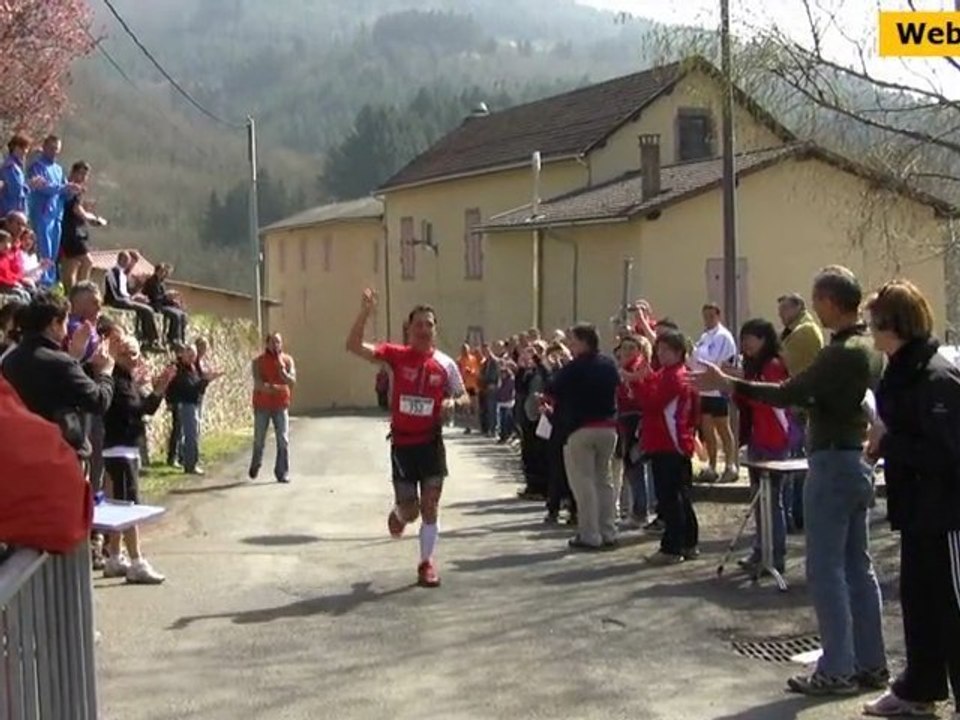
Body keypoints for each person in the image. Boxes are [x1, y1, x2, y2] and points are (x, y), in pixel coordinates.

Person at [695, 265, 887, 696]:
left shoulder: (842, 352)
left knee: (827, 569)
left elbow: (788, 391)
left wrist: (730, 384)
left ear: (829, 302)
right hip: (854, 458)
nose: (813, 308)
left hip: (834, 460)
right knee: (859, 566)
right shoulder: (868, 347)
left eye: (817, 300)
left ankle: (837, 666)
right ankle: (871, 662)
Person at [861, 281, 960, 719]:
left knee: (953, 608)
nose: (870, 332)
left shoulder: (936, 376)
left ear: (893, 325)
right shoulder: (901, 371)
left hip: (949, 514)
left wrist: (889, 441)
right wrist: (884, 442)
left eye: (874, 323)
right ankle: (920, 687)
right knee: (920, 603)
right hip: (917, 510)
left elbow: (946, 453)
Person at [346, 288, 468, 588]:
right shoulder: (397, 356)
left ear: (435, 330)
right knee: (411, 511)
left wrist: (454, 403)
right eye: (419, 325)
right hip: (403, 444)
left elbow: (464, 395)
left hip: (431, 443)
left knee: (430, 505)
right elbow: (353, 346)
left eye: (429, 324)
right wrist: (364, 313)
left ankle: (426, 563)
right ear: (409, 330)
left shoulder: (446, 364)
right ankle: (399, 514)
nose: (424, 329)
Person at [1, 291, 115, 456]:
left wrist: (75, 358)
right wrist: (105, 372)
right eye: (66, 322)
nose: (67, 329)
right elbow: (98, 401)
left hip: (19, 450)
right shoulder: (60, 363)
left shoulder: (10, 360)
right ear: (55, 323)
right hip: (59, 453)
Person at [101, 334, 175, 585]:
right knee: (128, 507)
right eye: (128, 353)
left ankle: (114, 557)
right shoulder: (117, 380)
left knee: (116, 505)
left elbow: (147, 409)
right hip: (120, 449)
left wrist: (158, 389)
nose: (134, 358)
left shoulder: (126, 380)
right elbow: (135, 410)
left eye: (136, 353)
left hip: (122, 448)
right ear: (116, 355)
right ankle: (136, 561)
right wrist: (151, 390)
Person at [542, 323, 620, 551]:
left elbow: (551, 389)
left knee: (583, 483)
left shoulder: (573, 368)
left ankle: (589, 534)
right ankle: (608, 531)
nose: (570, 346)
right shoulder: (609, 365)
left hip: (580, 430)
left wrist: (553, 368)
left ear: (584, 342)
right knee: (604, 482)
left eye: (573, 341)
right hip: (608, 427)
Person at [636, 329, 701, 564]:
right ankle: (688, 542)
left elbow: (651, 403)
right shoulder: (675, 373)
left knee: (670, 497)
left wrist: (639, 383)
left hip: (668, 442)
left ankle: (672, 547)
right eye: (659, 349)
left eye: (666, 350)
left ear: (678, 352)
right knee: (680, 495)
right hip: (674, 440)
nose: (661, 354)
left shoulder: (675, 376)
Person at [733, 319, 790, 576]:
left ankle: (775, 555)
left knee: (772, 501)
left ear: (763, 340)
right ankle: (760, 550)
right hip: (757, 438)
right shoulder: (752, 366)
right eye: (743, 339)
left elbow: (770, 401)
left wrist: (738, 383)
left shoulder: (773, 366)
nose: (745, 344)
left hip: (775, 439)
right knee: (758, 501)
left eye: (750, 338)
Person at [777, 293, 825, 533]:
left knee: (797, 465)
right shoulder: (793, 331)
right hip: (797, 403)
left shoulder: (804, 331)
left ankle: (799, 515)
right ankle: (797, 514)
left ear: (798, 307)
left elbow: (785, 362)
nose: (781, 314)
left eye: (785, 309)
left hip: (801, 405)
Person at [692, 303, 739, 483]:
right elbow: (697, 360)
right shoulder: (705, 337)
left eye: (711, 316)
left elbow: (714, 361)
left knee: (723, 428)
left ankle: (730, 465)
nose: (708, 319)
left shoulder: (723, 336)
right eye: (705, 316)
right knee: (707, 429)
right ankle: (712, 466)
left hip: (718, 389)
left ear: (718, 316)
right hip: (704, 390)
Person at [27, 135, 80, 286]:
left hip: (57, 215)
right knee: (44, 249)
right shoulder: (37, 166)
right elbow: (44, 187)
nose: (54, 152)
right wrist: (64, 188)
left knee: (53, 253)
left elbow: (64, 193)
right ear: (44, 147)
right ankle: (41, 282)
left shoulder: (58, 169)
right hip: (42, 213)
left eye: (57, 149)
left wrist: (72, 191)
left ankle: (49, 283)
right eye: (51, 148)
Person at [617, 334, 654, 526]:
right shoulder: (624, 368)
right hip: (624, 420)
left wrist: (632, 379)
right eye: (625, 348)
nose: (628, 352)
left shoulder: (639, 368)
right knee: (631, 467)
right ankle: (636, 509)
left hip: (636, 420)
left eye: (632, 348)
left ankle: (641, 512)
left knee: (635, 465)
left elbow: (642, 395)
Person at [249, 333, 296, 484]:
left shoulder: (287, 360)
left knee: (283, 439)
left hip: (281, 405)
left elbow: (292, 381)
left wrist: (283, 374)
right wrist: (272, 388)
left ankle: (282, 472)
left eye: (278, 342)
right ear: (267, 344)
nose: (276, 345)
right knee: (259, 439)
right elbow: (258, 383)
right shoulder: (258, 362)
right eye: (273, 342)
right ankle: (256, 463)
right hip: (262, 405)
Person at [60, 161, 107, 291]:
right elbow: (76, 208)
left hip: (73, 228)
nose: (83, 178)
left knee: (71, 264)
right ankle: (81, 293)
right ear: (74, 172)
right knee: (86, 262)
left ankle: (71, 294)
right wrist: (89, 217)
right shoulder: (72, 188)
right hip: (70, 230)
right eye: (81, 173)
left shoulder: (72, 188)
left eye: (85, 175)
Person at [103, 250, 162, 351]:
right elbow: (115, 293)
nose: (128, 263)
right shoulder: (112, 272)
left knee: (146, 309)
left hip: (124, 299)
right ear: (121, 260)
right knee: (147, 310)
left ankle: (147, 338)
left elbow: (125, 292)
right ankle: (152, 340)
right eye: (126, 260)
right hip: (117, 301)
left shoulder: (121, 274)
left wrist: (134, 297)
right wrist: (128, 300)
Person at [165, 344, 208, 475]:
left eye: (193, 355)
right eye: (189, 354)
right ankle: (189, 464)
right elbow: (173, 385)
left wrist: (205, 381)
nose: (191, 357)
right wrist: (170, 401)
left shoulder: (192, 369)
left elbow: (197, 388)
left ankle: (188, 461)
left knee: (191, 434)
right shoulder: (177, 368)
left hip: (192, 403)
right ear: (183, 354)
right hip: (183, 403)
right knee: (188, 434)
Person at [143, 263, 188, 346]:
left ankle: (180, 338)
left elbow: (164, 298)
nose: (163, 273)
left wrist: (173, 302)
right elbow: (155, 298)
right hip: (155, 305)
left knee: (182, 314)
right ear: (156, 271)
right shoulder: (151, 282)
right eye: (161, 271)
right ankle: (172, 338)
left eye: (163, 272)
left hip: (162, 304)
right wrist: (167, 296)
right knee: (175, 315)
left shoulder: (161, 283)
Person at [0, 133, 32, 217]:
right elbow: (16, 191)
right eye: (23, 148)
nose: (25, 151)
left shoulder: (17, 167)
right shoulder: (10, 167)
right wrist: (29, 185)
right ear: (15, 147)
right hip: (10, 214)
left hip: (16, 212)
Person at [456, 343, 481, 433]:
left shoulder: (473, 359)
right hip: (464, 386)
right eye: (463, 350)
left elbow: (477, 371)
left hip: (472, 386)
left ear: (469, 350)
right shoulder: (459, 360)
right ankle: (468, 426)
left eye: (466, 350)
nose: (465, 352)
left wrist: (470, 371)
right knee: (466, 407)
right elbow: (457, 373)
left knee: (475, 406)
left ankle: (477, 424)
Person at [478, 342, 501, 436]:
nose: (484, 352)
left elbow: (496, 374)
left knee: (492, 409)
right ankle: (488, 429)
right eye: (483, 351)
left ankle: (493, 430)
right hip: (485, 387)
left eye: (485, 350)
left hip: (492, 386)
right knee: (487, 409)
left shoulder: (494, 361)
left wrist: (493, 383)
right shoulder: (485, 362)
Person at [0, 230, 29, 302]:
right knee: (19, 296)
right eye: (3, 243)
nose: (7, 246)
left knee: (27, 293)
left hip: (10, 285)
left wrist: (19, 280)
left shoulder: (6, 257)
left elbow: (10, 274)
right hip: (3, 286)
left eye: (9, 242)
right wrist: (12, 284)